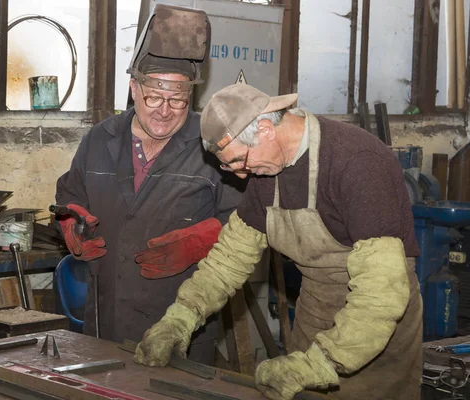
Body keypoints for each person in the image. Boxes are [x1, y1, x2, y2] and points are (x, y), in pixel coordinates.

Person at [133, 83, 422, 399]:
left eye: (240, 161)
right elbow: (229, 259)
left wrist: (319, 363)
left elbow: (382, 291)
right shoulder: (264, 176)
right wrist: (182, 317)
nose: (241, 175)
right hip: (315, 322)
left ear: (267, 130)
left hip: (375, 335)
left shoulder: (358, 162)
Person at [54, 5, 244, 366]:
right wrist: (69, 222)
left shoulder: (214, 145)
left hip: (180, 327)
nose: (164, 110)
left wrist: (208, 237)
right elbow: (70, 193)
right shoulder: (99, 139)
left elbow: (248, 219)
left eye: (178, 100)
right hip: (104, 323)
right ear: (133, 88)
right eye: (154, 97)